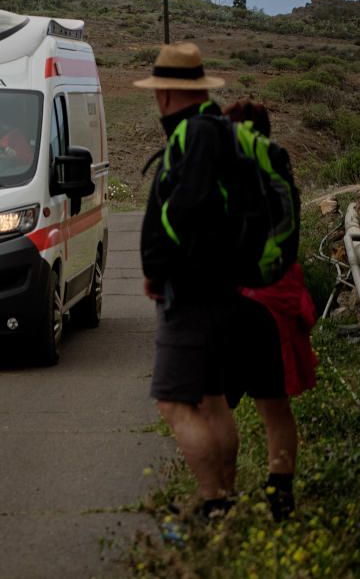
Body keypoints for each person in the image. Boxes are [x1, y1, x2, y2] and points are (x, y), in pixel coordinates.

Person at [134, 42, 240, 519]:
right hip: (221, 286)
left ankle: (213, 501)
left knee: (175, 402)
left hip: (192, 289)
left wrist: (160, 269)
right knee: (213, 397)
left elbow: (184, 210)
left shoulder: (192, 136)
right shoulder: (218, 129)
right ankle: (225, 496)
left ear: (166, 94)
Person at [223, 99, 318, 522]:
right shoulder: (281, 171)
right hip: (278, 296)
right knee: (275, 408)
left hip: (240, 300)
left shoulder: (232, 177)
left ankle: (218, 498)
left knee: (211, 407)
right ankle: (280, 496)